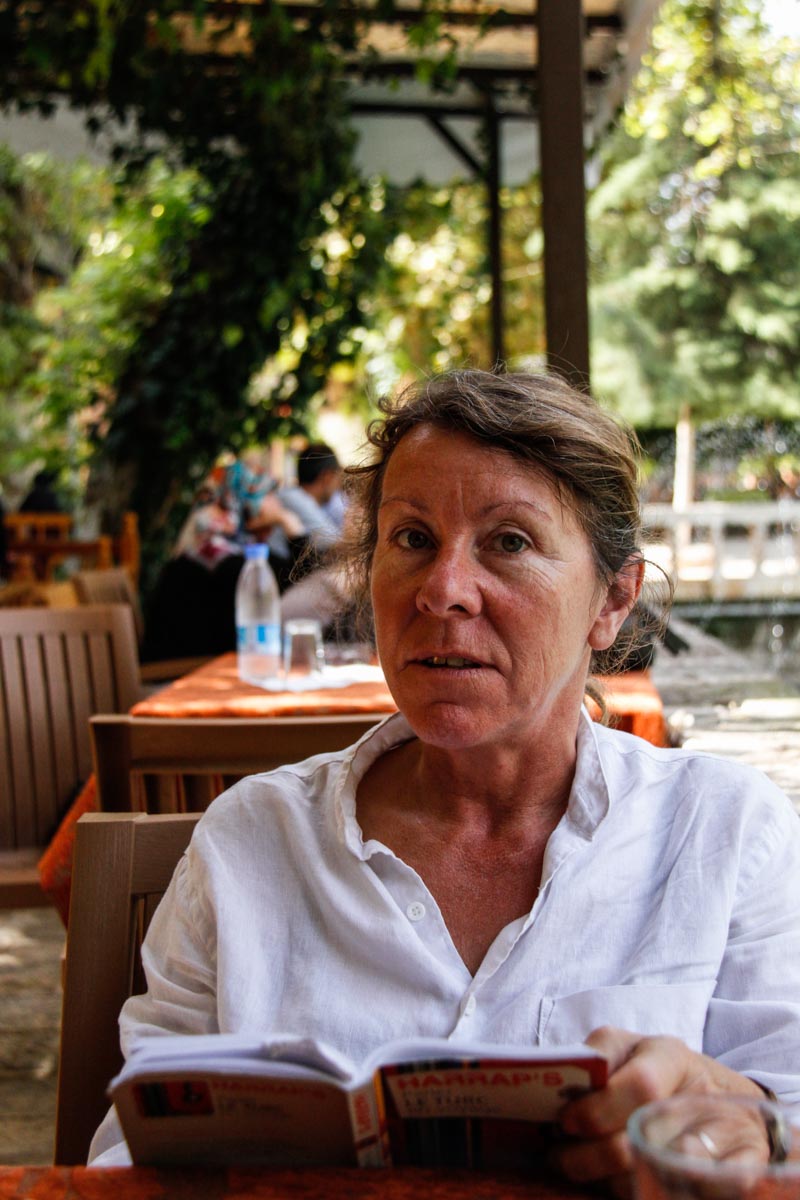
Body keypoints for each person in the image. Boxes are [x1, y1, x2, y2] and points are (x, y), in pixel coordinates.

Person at [90, 370, 800, 1182]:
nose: (442, 591)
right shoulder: (251, 843)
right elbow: (129, 1160)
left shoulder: (725, 833)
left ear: (612, 601)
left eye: (511, 542)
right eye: (413, 539)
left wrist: (751, 1131)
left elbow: (787, 1117)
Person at [269, 442, 343, 562]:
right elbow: (334, 542)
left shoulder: (303, 499)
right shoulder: (295, 498)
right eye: (338, 479)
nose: (338, 486)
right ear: (327, 477)